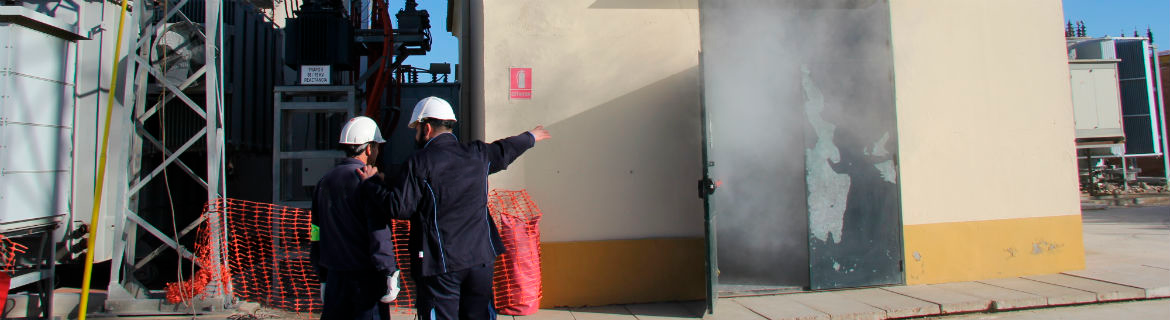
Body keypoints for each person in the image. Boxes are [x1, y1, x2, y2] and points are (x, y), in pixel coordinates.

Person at [358, 96, 551, 320]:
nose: (415, 135)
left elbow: (398, 208)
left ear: (427, 128)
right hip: (481, 260)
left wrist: (372, 185)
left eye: (416, 129)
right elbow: (505, 149)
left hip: (442, 265)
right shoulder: (478, 153)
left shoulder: (419, 162)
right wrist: (531, 137)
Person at [311, 116, 402, 320]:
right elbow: (379, 232)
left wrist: (322, 273)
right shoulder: (368, 183)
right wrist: (389, 271)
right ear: (369, 148)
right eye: (377, 146)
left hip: (334, 277)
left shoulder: (324, 182)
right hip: (365, 280)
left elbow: (315, 231)